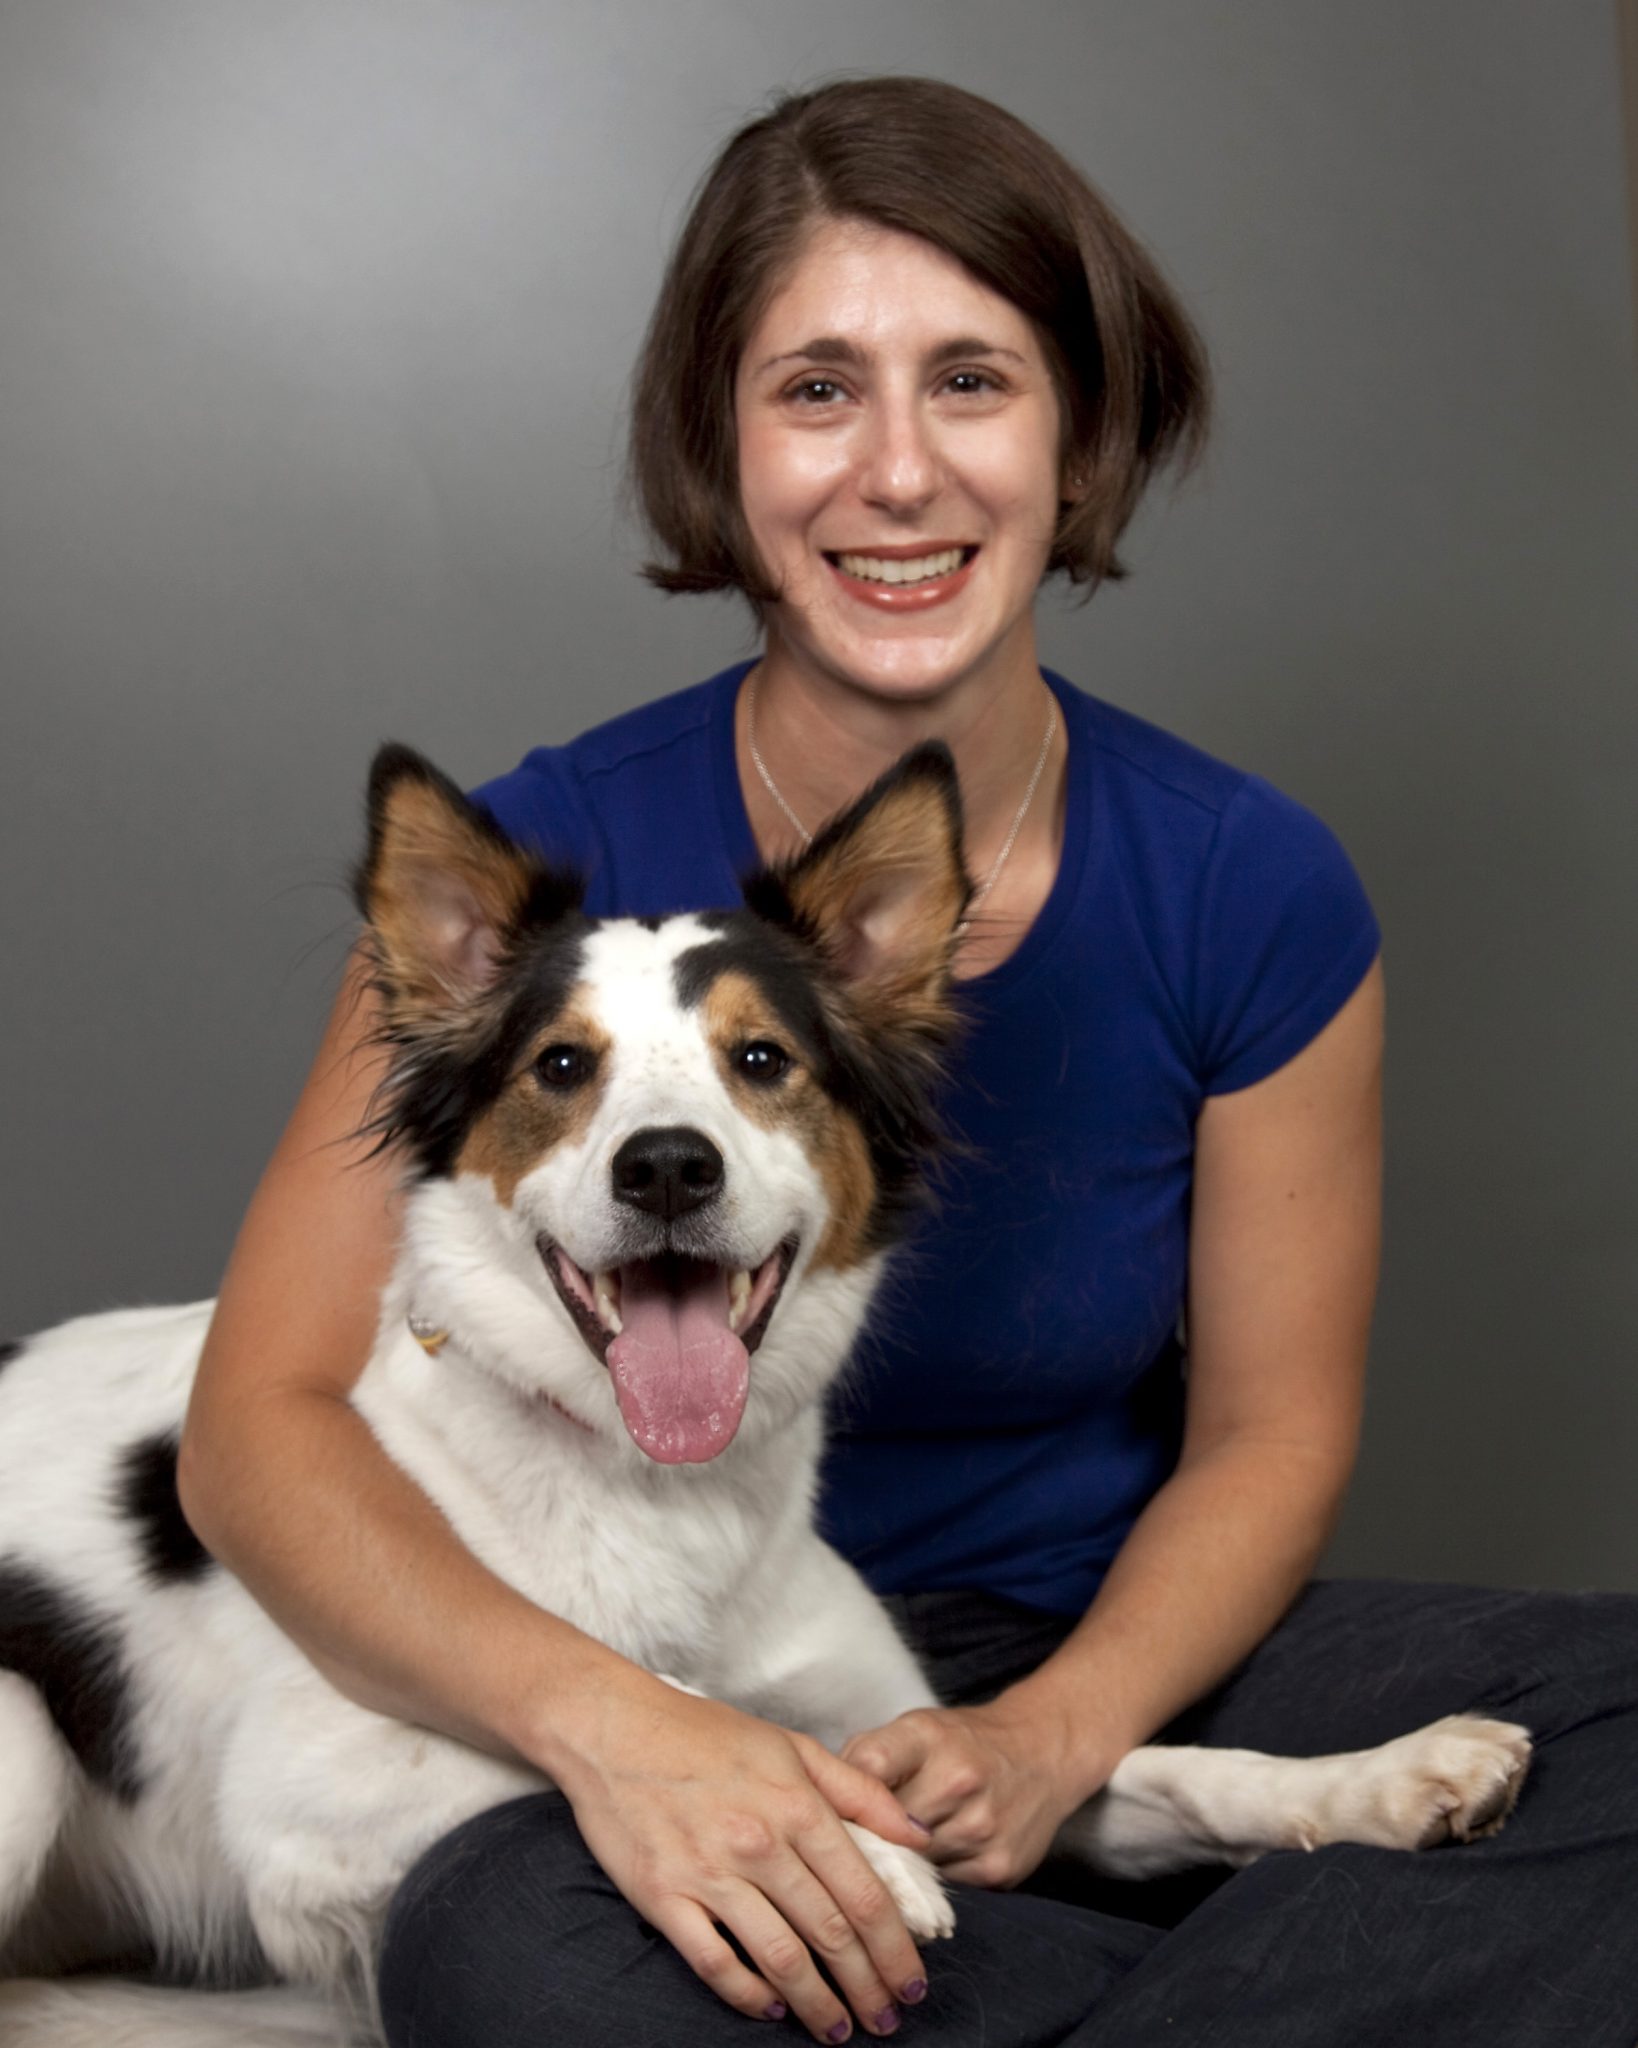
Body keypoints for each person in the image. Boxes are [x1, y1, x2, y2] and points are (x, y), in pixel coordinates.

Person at [178, 76, 1638, 2048]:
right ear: (720, 442)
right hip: (624, 1663)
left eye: (971, 381)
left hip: (1101, 1648)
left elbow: (1271, 1435)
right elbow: (257, 1428)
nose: (895, 474)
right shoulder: (525, 894)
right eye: (812, 391)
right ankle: (1204, 1971)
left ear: (1080, 432)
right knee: (518, 1959)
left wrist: (1063, 1730)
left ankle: (1009, 1967)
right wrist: (618, 1737)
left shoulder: (1247, 883)